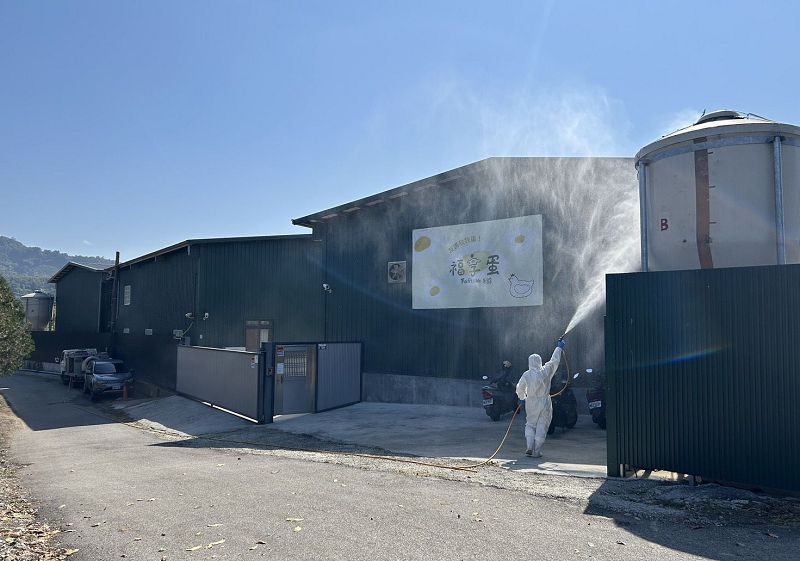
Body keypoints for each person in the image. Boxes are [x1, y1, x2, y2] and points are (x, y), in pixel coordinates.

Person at [515, 339, 565, 457]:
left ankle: (529, 447)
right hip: (545, 402)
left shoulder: (526, 374)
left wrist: (522, 397)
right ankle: (537, 451)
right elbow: (554, 361)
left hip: (531, 402)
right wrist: (559, 348)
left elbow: (520, 388)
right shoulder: (546, 371)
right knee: (542, 425)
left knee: (530, 424)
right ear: (540, 361)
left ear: (529, 362)